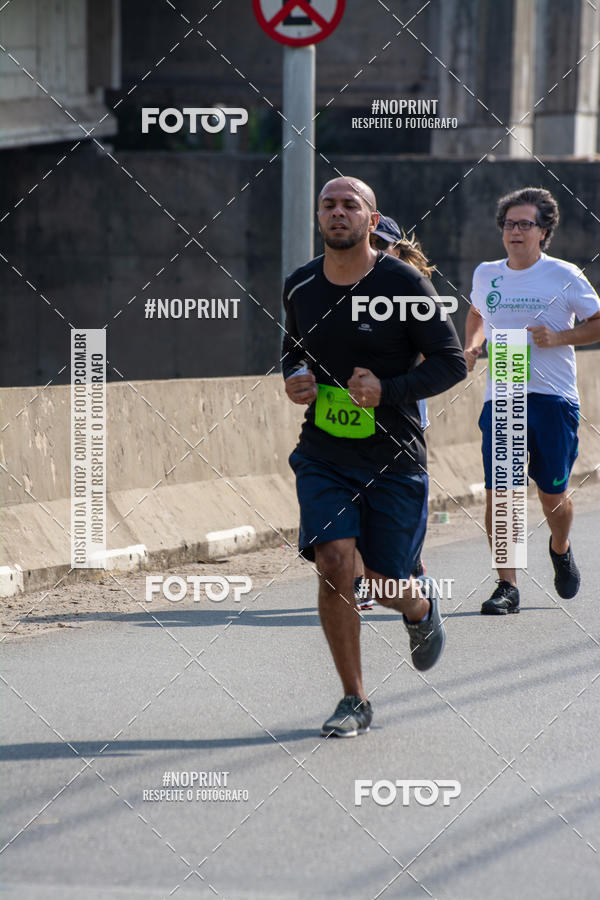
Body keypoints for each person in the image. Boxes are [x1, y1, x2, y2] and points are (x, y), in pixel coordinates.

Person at [282, 176, 467, 737]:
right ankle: (353, 699)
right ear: (319, 216)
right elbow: (293, 350)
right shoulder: (300, 286)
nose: (338, 212)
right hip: (324, 453)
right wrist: (294, 378)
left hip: (393, 458)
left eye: (350, 205)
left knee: (387, 583)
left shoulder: (402, 282)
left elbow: (451, 362)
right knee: (336, 562)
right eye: (329, 205)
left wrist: (386, 389)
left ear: (370, 216)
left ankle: (419, 609)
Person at [465, 186, 600, 615]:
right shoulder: (487, 273)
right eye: (509, 224)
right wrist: (472, 345)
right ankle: (508, 586)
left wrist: (559, 337)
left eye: (525, 224)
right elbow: (477, 313)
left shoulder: (564, 275)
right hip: (502, 391)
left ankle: (560, 548)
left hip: (553, 398)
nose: (515, 231)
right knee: (501, 494)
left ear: (544, 232)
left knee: (552, 495)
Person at [353, 215, 433, 611]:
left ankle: (409, 565)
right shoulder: (337, 282)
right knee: (354, 492)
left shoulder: (410, 289)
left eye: (383, 244)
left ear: (397, 250)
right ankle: (363, 579)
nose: (377, 250)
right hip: (350, 411)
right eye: (372, 242)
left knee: (397, 493)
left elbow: (434, 358)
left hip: (402, 411)